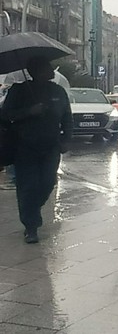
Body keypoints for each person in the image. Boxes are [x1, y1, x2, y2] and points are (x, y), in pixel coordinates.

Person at [0, 56, 72, 243]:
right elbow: (5, 115)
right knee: (28, 187)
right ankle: (31, 227)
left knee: (47, 183)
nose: (50, 71)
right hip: (25, 147)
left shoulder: (57, 91)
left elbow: (67, 117)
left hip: (51, 146)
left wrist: (66, 139)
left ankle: (32, 208)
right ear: (35, 71)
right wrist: (29, 111)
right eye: (46, 67)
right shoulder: (19, 91)